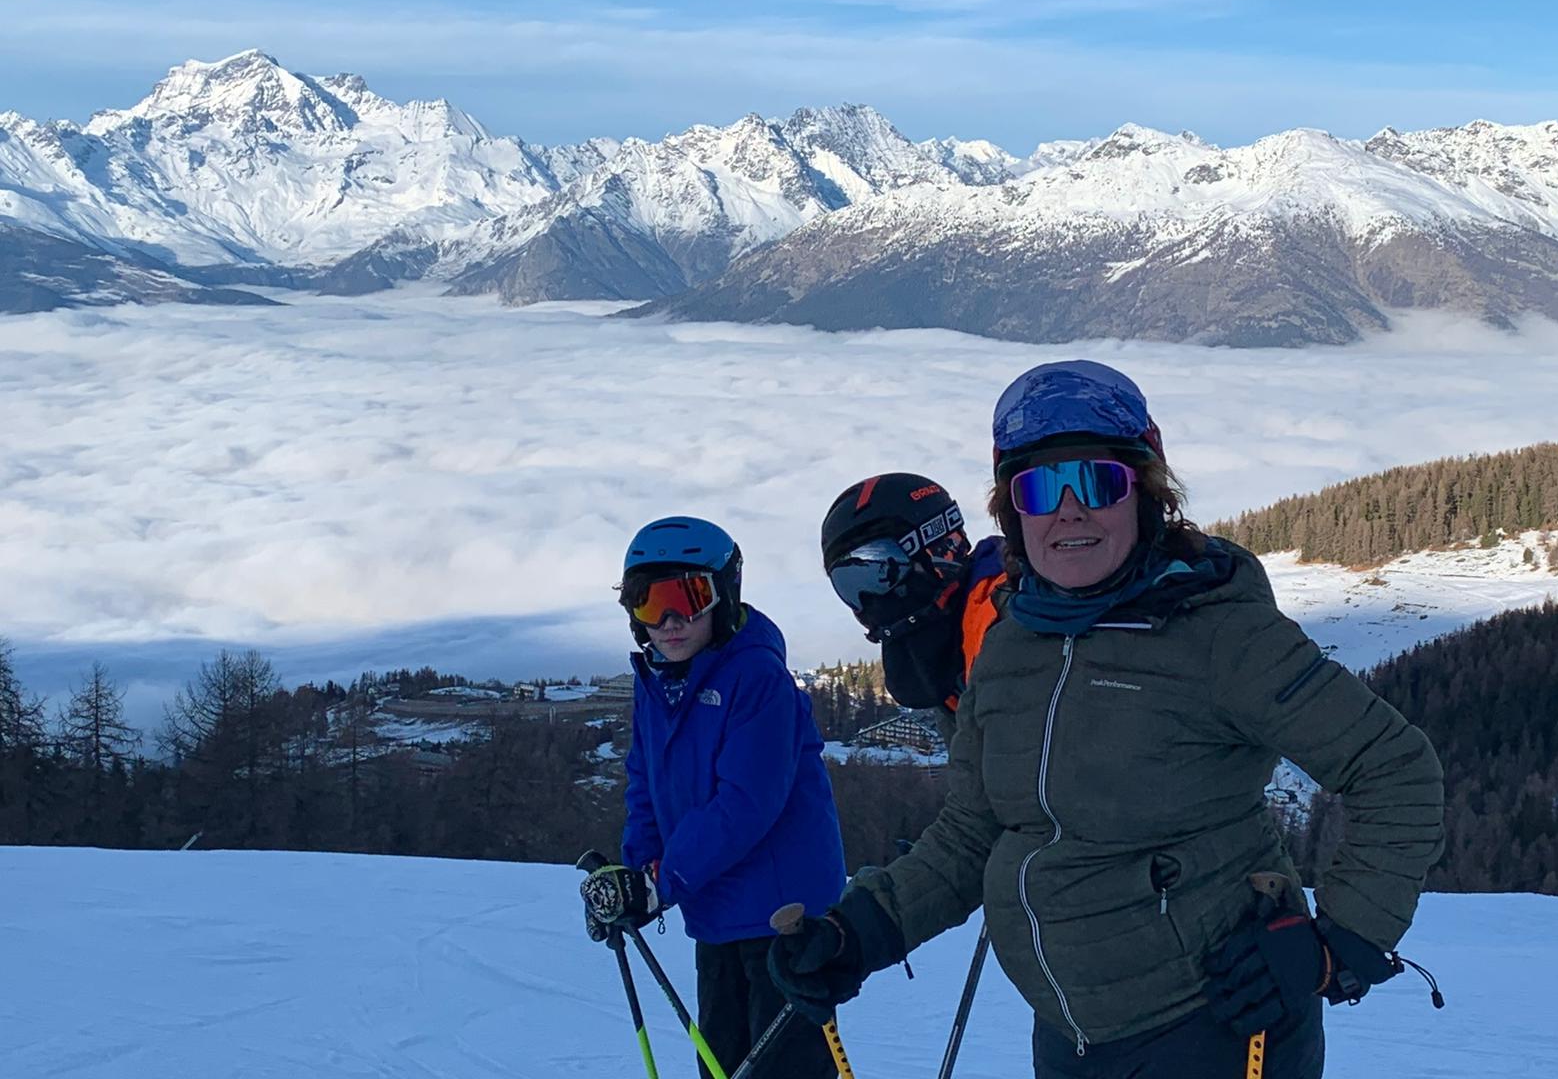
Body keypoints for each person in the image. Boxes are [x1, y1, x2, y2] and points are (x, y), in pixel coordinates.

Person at [769, 362, 1446, 1079]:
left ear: (1146, 494)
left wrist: (1339, 945)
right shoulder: (1009, 646)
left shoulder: (1221, 635)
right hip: (1068, 1037)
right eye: (1038, 487)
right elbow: (975, 831)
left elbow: (1395, 769)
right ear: (1012, 514)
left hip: (1214, 1031)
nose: (1068, 509)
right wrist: (863, 930)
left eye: (1097, 482)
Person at [580, 515, 846, 1079]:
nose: (670, 621)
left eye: (689, 597)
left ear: (724, 596)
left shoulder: (758, 677)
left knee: (783, 1069)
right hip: (715, 908)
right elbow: (645, 785)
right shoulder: (657, 680)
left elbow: (747, 803)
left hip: (783, 917)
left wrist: (659, 883)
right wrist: (636, 878)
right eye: (648, 604)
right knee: (723, 1063)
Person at [819, 472, 1007, 742]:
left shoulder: (1010, 618)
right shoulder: (950, 658)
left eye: (879, 570)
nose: (868, 601)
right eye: (848, 584)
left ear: (936, 547)